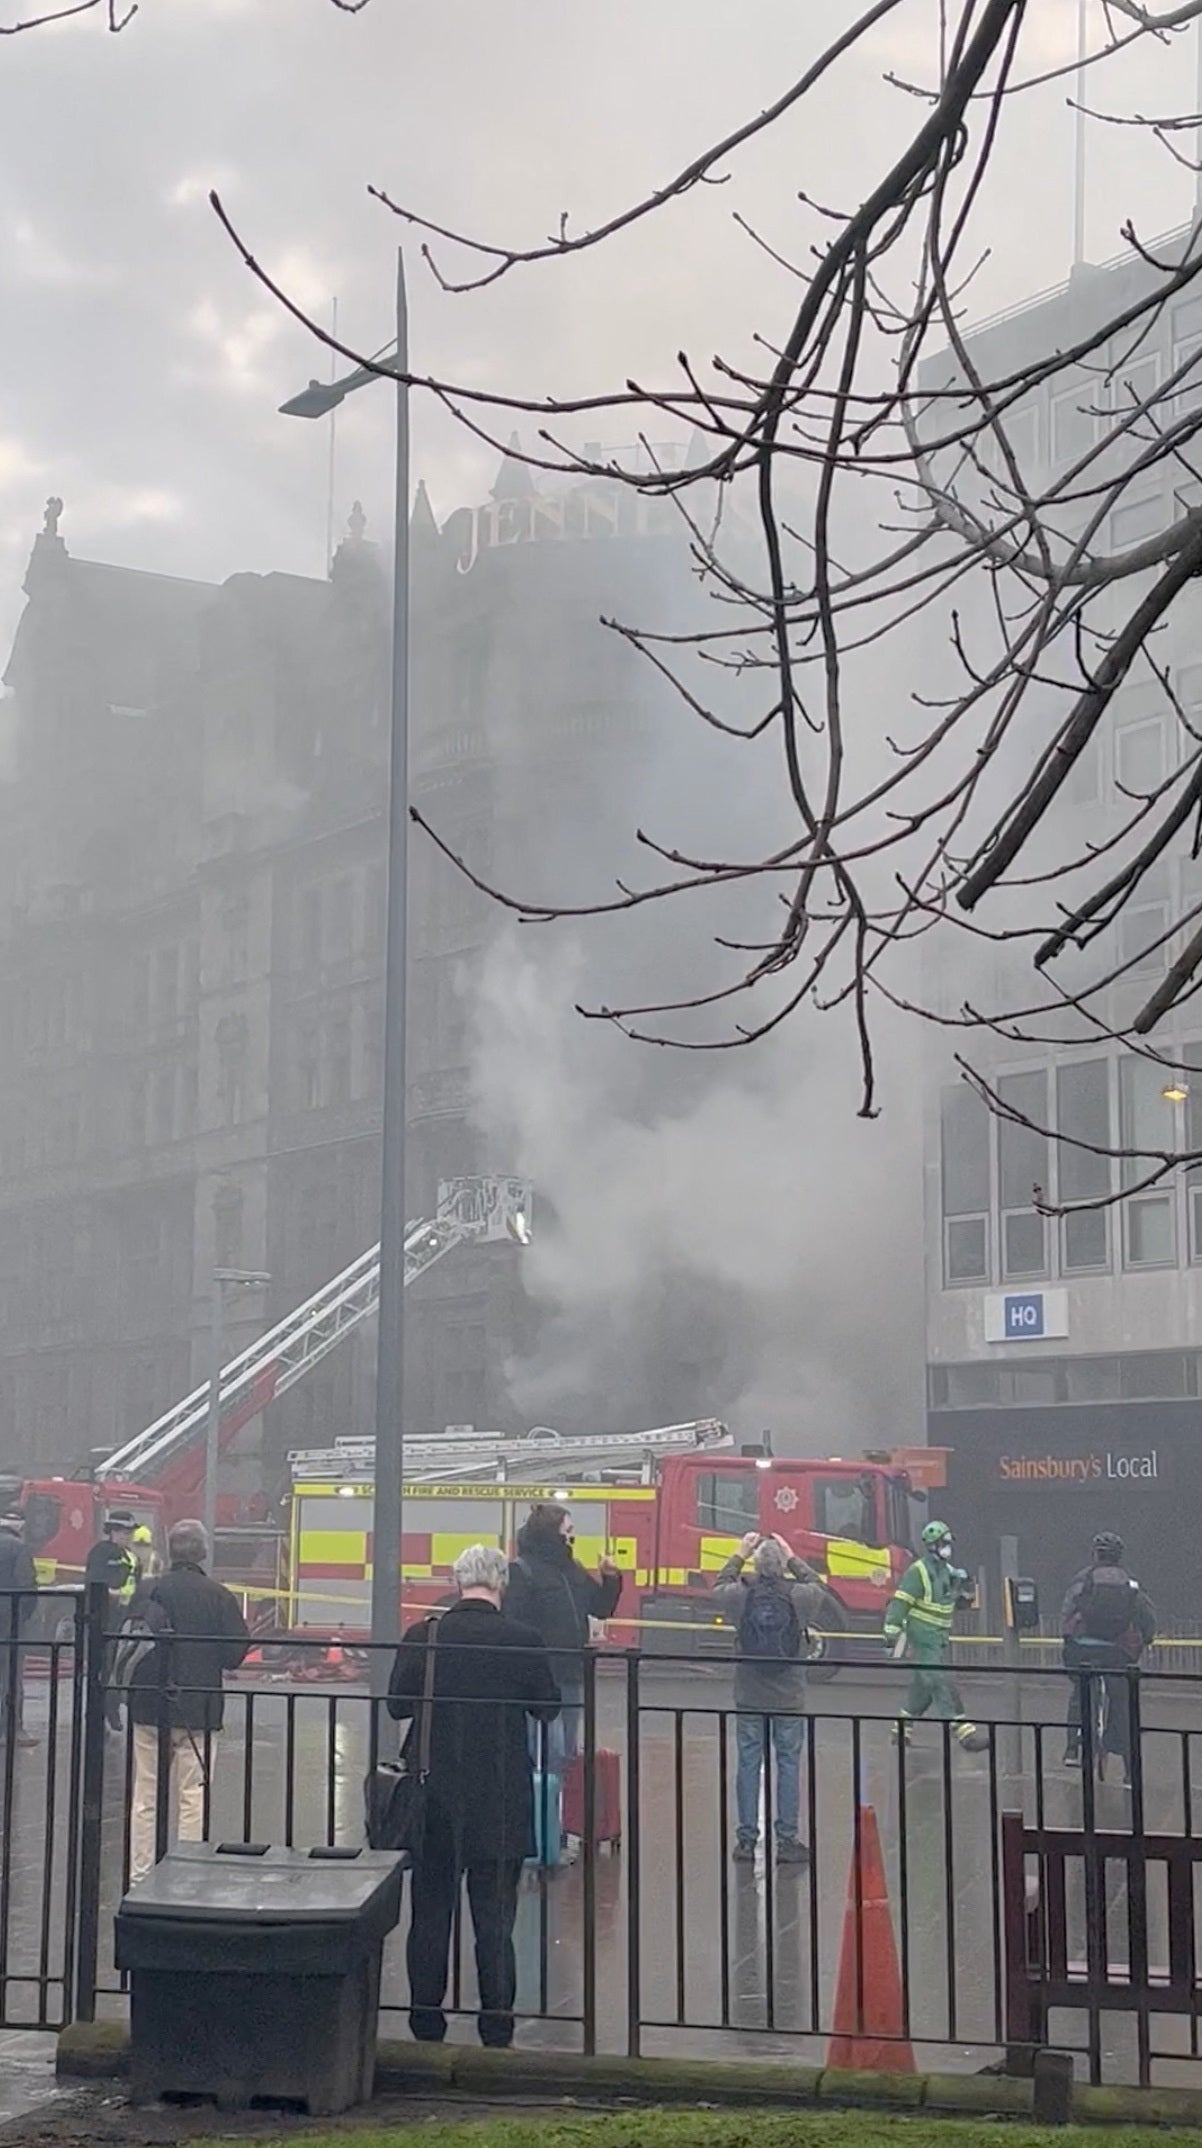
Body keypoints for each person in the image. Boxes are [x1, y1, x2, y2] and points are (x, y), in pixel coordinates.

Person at [389, 1543, 559, 2049]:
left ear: (457, 1581)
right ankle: (496, 2023)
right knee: (494, 1919)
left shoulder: (426, 1635)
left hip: (434, 1794)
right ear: (500, 1584)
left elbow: (399, 1705)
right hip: (500, 1798)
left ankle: (426, 2020)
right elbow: (547, 1707)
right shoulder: (523, 1639)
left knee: (431, 1914)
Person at [126, 1518, 249, 1886]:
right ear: (204, 1553)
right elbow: (233, 1655)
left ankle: (140, 1876)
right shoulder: (218, 1595)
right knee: (193, 1794)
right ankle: (186, 1877)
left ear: (168, 1551)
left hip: (149, 1706)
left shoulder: (148, 1591)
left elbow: (127, 1638)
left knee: (146, 1796)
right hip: (199, 1709)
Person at [712, 1531, 823, 1866]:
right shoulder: (801, 1596)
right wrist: (792, 1556)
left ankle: (746, 1840)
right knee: (787, 1765)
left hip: (749, 1694)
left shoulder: (740, 1596)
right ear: (783, 1566)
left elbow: (719, 1585)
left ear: (757, 1566)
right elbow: (818, 1584)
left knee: (748, 1764)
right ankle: (787, 1840)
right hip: (789, 1697)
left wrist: (740, 1552)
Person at [504, 1503, 620, 1766]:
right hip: (540, 1678)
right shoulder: (522, 1571)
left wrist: (610, 1579)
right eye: (567, 1529)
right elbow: (514, 1625)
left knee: (564, 1753)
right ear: (551, 1533)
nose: (572, 1536)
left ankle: (554, 1804)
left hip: (570, 1676)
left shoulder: (573, 1570)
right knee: (545, 1753)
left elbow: (599, 1609)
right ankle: (541, 1805)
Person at [884, 1519, 988, 1752]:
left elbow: (950, 1600)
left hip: (938, 1638)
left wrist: (965, 1596)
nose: (948, 1547)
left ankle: (901, 1731)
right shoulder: (917, 1572)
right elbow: (900, 1603)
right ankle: (963, 1731)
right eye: (944, 1543)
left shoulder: (949, 1571)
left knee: (924, 1685)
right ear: (932, 1545)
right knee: (939, 1681)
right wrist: (891, 1633)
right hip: (922, 1637)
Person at [1060, 1531, 1156, 1779]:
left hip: (1084, 1649)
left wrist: (1068, 1639)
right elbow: (1146, 1614)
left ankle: (1073, 1747)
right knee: (1122, 1701)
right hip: (1117, 1652)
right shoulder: (1130, 1581)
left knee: (1080, 1692)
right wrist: (1147, 1638)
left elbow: (1068, 1611)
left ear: (1095, 1554)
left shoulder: (1083, 1578)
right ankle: (1127, 1767)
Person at [84, 1507, 141, 1732]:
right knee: (102, 1668)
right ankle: (99, 1713)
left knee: (117, 1669)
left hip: (125, 1620)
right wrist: (113, 1595)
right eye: (123, 1532)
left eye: (129, 1532)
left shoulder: (132, 1557)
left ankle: (113, 1709)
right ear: (112, 1531)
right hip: (104, 1619)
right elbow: (94, 1584)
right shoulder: (101, 1552)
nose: (127, 1536)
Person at [0, 1507, 38, 1749]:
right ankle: (12, 1728)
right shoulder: (20, 1548)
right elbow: (27, 1586)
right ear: (21, 1525)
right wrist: (23, 1616)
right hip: (9, 1618)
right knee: (11, 1674)